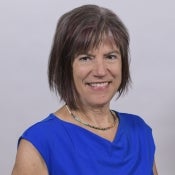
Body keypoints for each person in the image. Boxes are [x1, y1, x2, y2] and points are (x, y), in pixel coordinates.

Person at [12, 4, 158, 175]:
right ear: (65, 67)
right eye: (86, 58)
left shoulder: (140, 132)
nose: (101, 71)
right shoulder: (39, 143)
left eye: (110, 56)